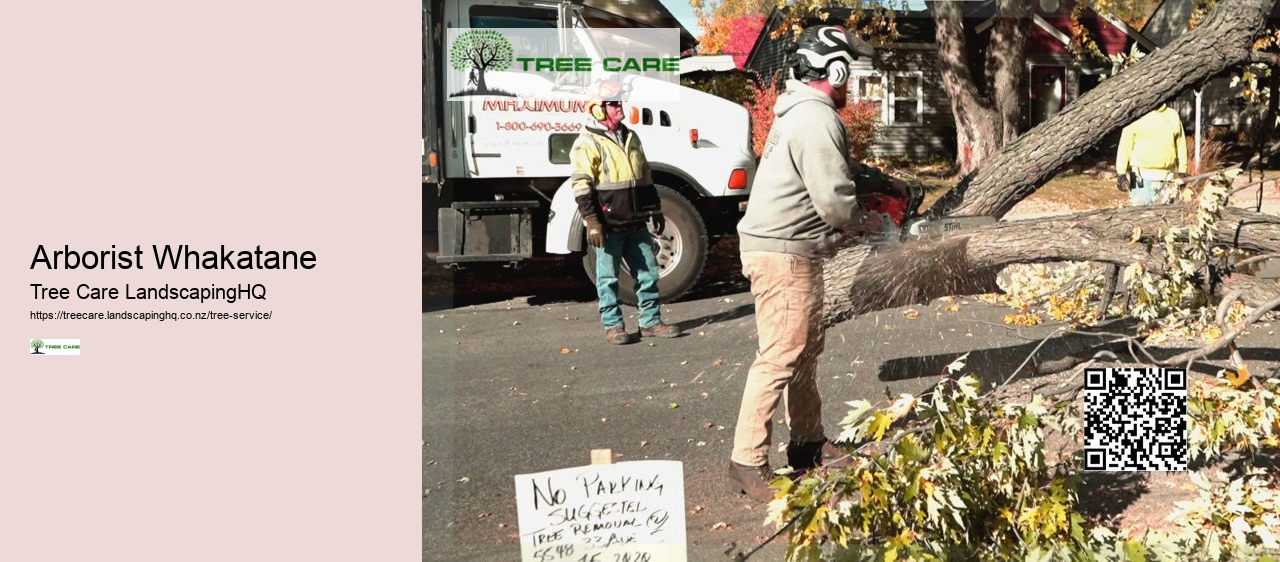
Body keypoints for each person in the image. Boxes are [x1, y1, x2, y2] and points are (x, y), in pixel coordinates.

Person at [728, 25, 901, 501]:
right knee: (781, 355)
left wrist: (881, 183)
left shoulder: (801, 114)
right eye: (848, 74)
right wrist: (873, 224)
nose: (850, 85)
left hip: (793, 251)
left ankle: (806, 443)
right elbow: (834, 202)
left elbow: (835, 174)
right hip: (784, 254)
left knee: (803, 352)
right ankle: (746, 459)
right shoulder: (816, 118)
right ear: (835, 69)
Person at [570, 79, 682, 345]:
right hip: (608, 226)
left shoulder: (631, 136)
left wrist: (654, 208)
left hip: (635, 221)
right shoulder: (587, 142)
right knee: (607, 278)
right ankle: (613, 326)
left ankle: (650, 322)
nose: (620, 107)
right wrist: (592, 221)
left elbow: (644, 176)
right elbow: (581, 184)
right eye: (614, 103)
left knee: (649, 273)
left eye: (620, 101)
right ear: (598, 109)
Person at [1116, 104, 1188, 205]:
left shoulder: (1172, 115)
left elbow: (1180, 144)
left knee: (1164, 217)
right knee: (1139, 216)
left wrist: (1182, 170)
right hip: (1138, 177)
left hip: (1167, 178)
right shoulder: (1136, 115)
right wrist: (1121, 173)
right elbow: (1125, 145)